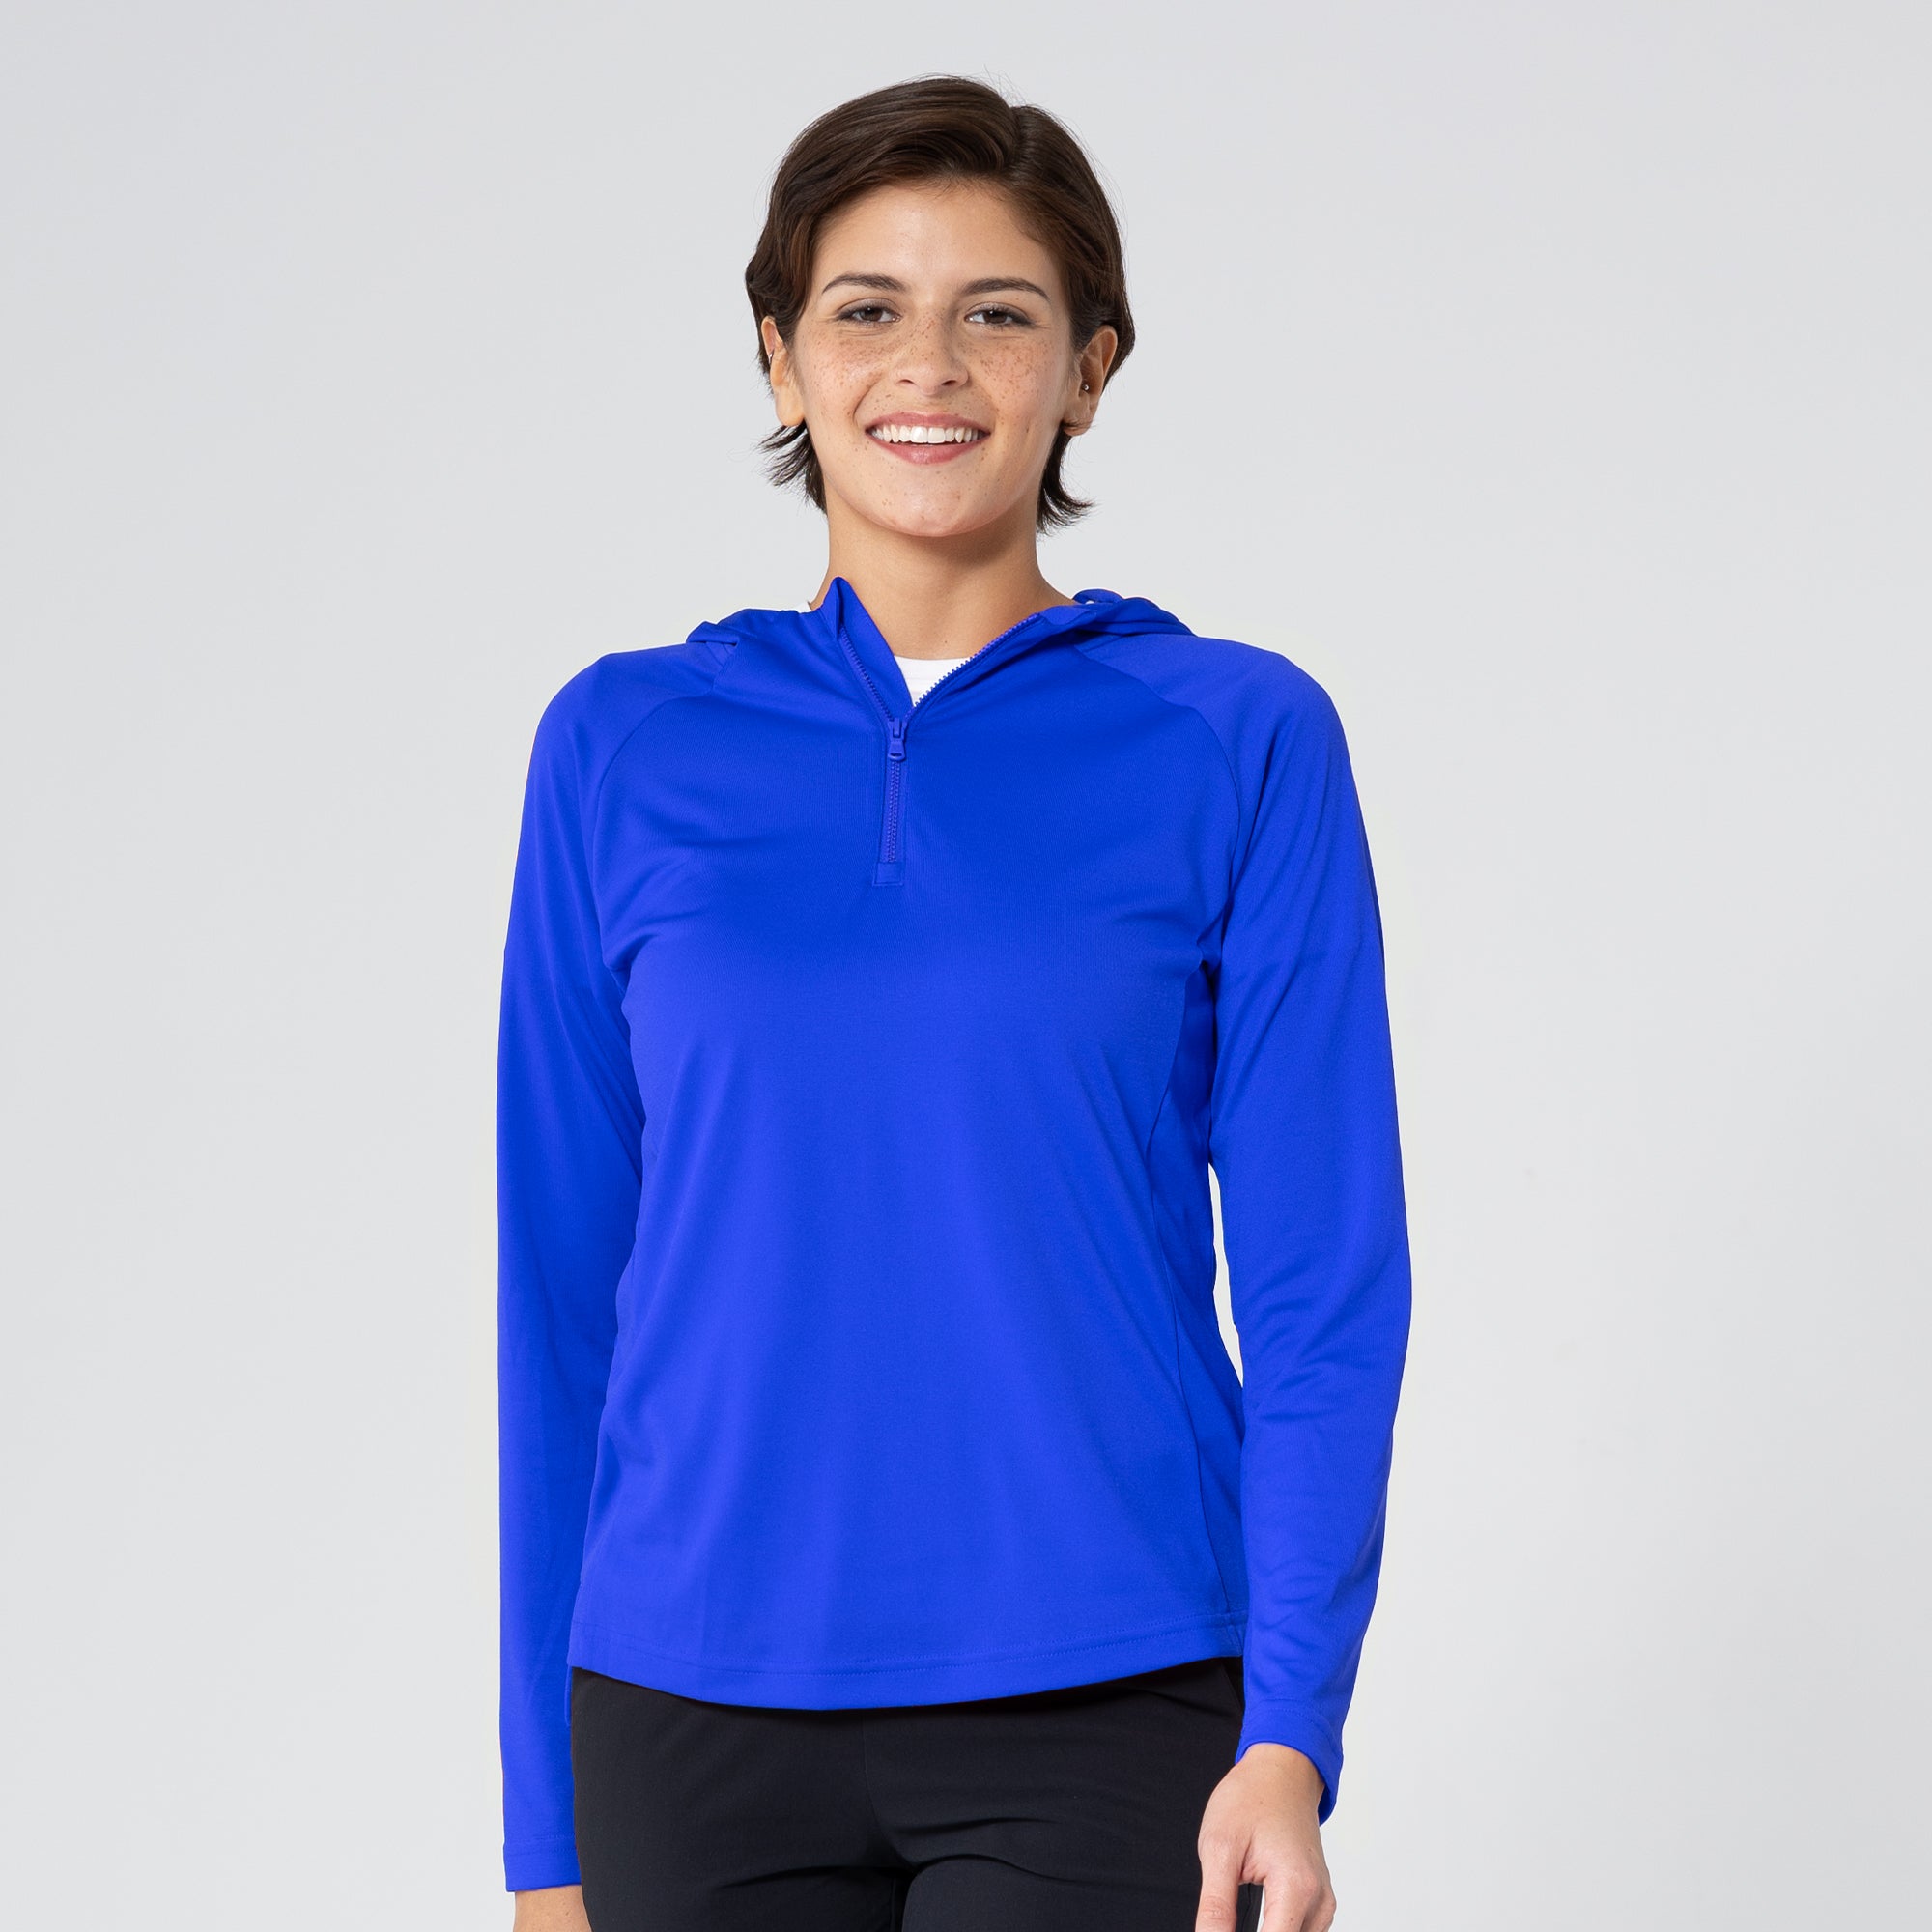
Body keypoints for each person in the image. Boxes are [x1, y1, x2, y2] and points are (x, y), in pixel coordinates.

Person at [497, 74, 1411, 1932]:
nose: (929, 365)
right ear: (781, 361)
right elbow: (560, 1295)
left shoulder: (1236, 738)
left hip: (1113, 1686)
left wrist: (1291, 1738)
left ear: (1088, 370)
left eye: (998, 312)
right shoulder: (622, 745)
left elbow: (1325, 1288)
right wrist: (546, 1839)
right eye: (867, 310)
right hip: (683, 1707)